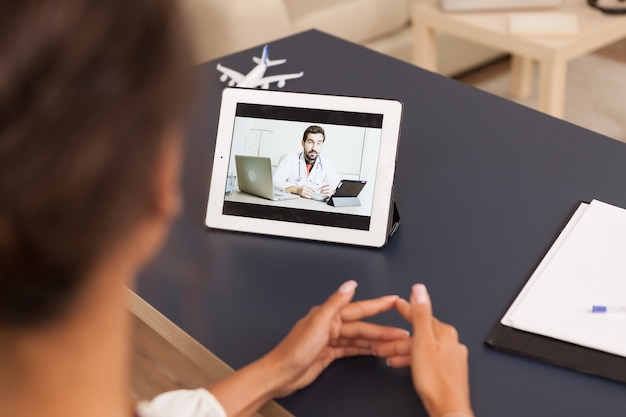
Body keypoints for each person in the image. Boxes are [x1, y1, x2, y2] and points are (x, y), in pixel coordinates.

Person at [0, 1, 474, 417]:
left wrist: (274, 371)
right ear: (159, 184)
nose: (310, 145)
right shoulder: (289, 161)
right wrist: (453, 407)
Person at [272, 125, 340, 200]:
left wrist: (332, 192)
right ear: (303, 143)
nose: (314, 148)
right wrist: (296, 190)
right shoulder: (290, 158)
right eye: (310, 142)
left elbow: (336, 187)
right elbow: (275, 182)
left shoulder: (328, 164)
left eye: (318, 143)